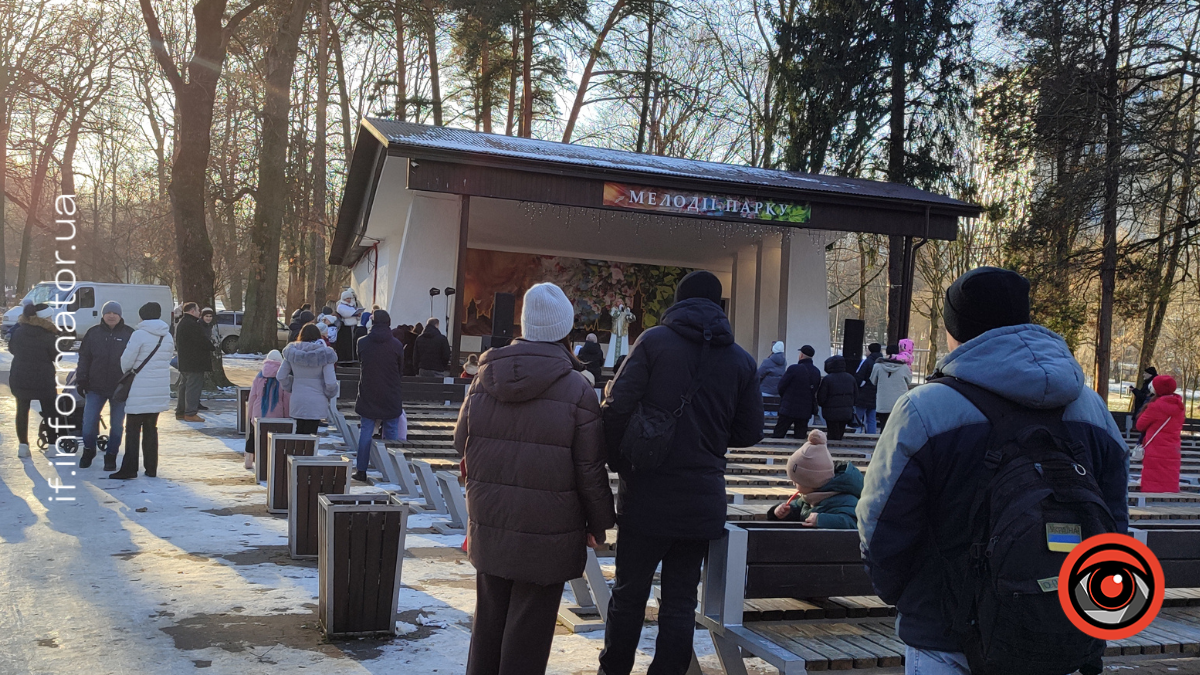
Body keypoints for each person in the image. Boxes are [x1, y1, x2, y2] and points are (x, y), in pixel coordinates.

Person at [857, 267, 1129, 675]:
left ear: (954, 329)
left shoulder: (924, 409)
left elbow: (881, 524)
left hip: (945, 635)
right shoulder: (1092, 409)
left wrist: (910, 598)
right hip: (1063, 630)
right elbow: (1115, 520)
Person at [599, 270, 763, 675]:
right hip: (702, 499)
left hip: (646, 493)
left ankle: (613, 670)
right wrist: (710, 434)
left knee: (628, 594)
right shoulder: (741, 360)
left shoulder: (654, 342)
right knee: (681, 601)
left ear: (679, 301)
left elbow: (616, 407)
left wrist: (620, 460)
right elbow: (750, 431)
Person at [455, 283, 615, 675]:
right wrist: (599, 523)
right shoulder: (578, 389)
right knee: (528, 637)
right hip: (549, 530)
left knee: (488, 627)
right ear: (565, 329)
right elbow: (590, 468)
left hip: (491, 520)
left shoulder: (483, 378)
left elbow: (461, 442)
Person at [109, 302, 175, 479]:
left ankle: (130, 468)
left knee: (132, 429)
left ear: (142, 316)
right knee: (151, 428)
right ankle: (151, 468)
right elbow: (167, 358)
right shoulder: (167, 335)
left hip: (139, 388)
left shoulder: (139, 334)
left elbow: (126, 361)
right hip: (159, 388)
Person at [76, 301, 134, 471]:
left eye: (115, 313)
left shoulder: (129, 334)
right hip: (95, 387)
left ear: (120, 315)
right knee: (88, 424)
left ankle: (111, 455)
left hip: (120, 388)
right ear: (103, 315)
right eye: (108, 312)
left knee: (117, 426)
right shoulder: (93, 333)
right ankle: (89, 450)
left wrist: (131, 382)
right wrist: (81, 379)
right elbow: (84, 357)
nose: (111, 316)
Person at [766, 429, 861, 528]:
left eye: (797, 482)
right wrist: (785, 512)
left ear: (811, 483)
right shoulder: (809, 497)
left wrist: (822, 520)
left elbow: (853, 523)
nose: (794, 484)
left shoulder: (845, 500)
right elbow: (797, 508)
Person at [354, 310, 405, 483]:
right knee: (391, 432)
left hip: (368, 392)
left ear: (373, 322)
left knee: (366, 432)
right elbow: (400, 370)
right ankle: (390, 472)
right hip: (390, 393)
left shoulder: (362, 342)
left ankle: (361, 470)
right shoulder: (397, 345)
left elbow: (361, 361)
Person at [9, 303, 59, 458]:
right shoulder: (49, 334)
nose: (51, 319)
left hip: (20, 376)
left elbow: (12, 349)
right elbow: (56, 356)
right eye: (49, 317)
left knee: (22, 411)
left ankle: (23, 446)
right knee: (50, 411)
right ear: (43, 318)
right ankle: (52, 446)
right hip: (43, 378)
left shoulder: (19, 331)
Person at [278, 323, 338, 436]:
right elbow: (330, 383)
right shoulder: (325, 354)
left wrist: (290, 386)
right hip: (317, 400)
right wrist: (328, 393)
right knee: (311, 435)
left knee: (298, 433)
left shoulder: (292, 353)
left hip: (297, 398)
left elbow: (281, 376)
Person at [1136, 374, 1184, 493]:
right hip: (1173, 448)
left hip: (1155, 448)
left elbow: (1140, 425)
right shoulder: (1179, 406)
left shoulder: (1156, 406)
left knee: (1153, 479)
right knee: (1169, 475)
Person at [245, 350, 291, 470]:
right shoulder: (283, 377)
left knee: (254, 436)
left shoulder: (259, 376)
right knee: (274, 439)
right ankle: (272, 462)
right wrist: (287, 416)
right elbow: (286, 399)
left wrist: (250, 414)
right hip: (277, 414)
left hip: (259, 413)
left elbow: (252, 397)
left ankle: (248, 461)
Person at [174, 302, 216, 422]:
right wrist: (211, 346)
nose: (199, 312)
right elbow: (201, 341)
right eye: (198, 310)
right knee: (193, 388)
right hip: (194, 363)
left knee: (184, 386)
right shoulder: (192, 324)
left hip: (185, 362)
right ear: (192, 311)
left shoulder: (182, 322)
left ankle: (181, 411)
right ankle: (190, 413)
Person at [773, 346, 821, 439]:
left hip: (788, 408)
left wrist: (785, 397)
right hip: (805, 409)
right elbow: (815, 389)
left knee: (779, 433)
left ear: (801, 355)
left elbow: (781, 386)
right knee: (800, 435)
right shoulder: (816, 371)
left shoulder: (793, 369)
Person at [870, 344, 912, 431]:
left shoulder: (878, 366)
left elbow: (873, 381)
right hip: (899, 403)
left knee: (884, 427)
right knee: (897, 428)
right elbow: (909, 381)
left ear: (886, 352)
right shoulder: (904, 367)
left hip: (883, 402)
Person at [817, 355, 856, 440]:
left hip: (830, 411)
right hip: (846, 410)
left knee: (832, 432)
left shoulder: (827, 379)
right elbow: (856, 394)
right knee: (840, 431)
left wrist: (821, 404)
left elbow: (822, 396)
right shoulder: (850, 378)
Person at [854, 343, 883, 434]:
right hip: (876, 394)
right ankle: (872, 435)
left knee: (857, 417)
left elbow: (859, 377)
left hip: (863, 393)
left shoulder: (867, 362)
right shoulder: (882, 362)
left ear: (870, 351)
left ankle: (856, 433)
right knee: (871, 419)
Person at [334, 290, 362, 362]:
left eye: (350, 298)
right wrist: (354, 314)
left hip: (354, 326)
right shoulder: (340, 306)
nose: (349, 300)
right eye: (347, 298)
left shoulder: (352, 306)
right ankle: (346, 359)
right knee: (347, 344)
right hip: (345, 327)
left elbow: (355, 315)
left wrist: (358, 315)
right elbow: (347, 314)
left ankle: (354, 358)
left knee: (354, 343)